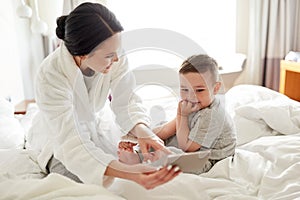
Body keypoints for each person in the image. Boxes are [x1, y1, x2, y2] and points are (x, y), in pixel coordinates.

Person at [26, 2, 180, 190]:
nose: (116, 59)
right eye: (109, 55)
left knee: (128, 164)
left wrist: (144, 131)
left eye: (117, 51)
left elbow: (126, 101)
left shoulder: (114, 54)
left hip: (97, 125)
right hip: (58, 136)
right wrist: (126, 172)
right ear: (84, 54)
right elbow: (70, 142)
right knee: (77, 183)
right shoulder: (50, 75)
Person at [118, 54, 236, 174]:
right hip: (189, 143)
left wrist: (182, 115)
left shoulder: (212, 116)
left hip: (206, 159)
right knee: (161, 133)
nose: (191, 96)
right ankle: (140, 151)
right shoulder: (194, 105)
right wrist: (142, 137)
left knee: (177, 155)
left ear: (215, 89)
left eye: (199, 90)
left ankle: (140, 159)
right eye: (185, 89)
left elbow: (187, 148)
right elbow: (167, 130)